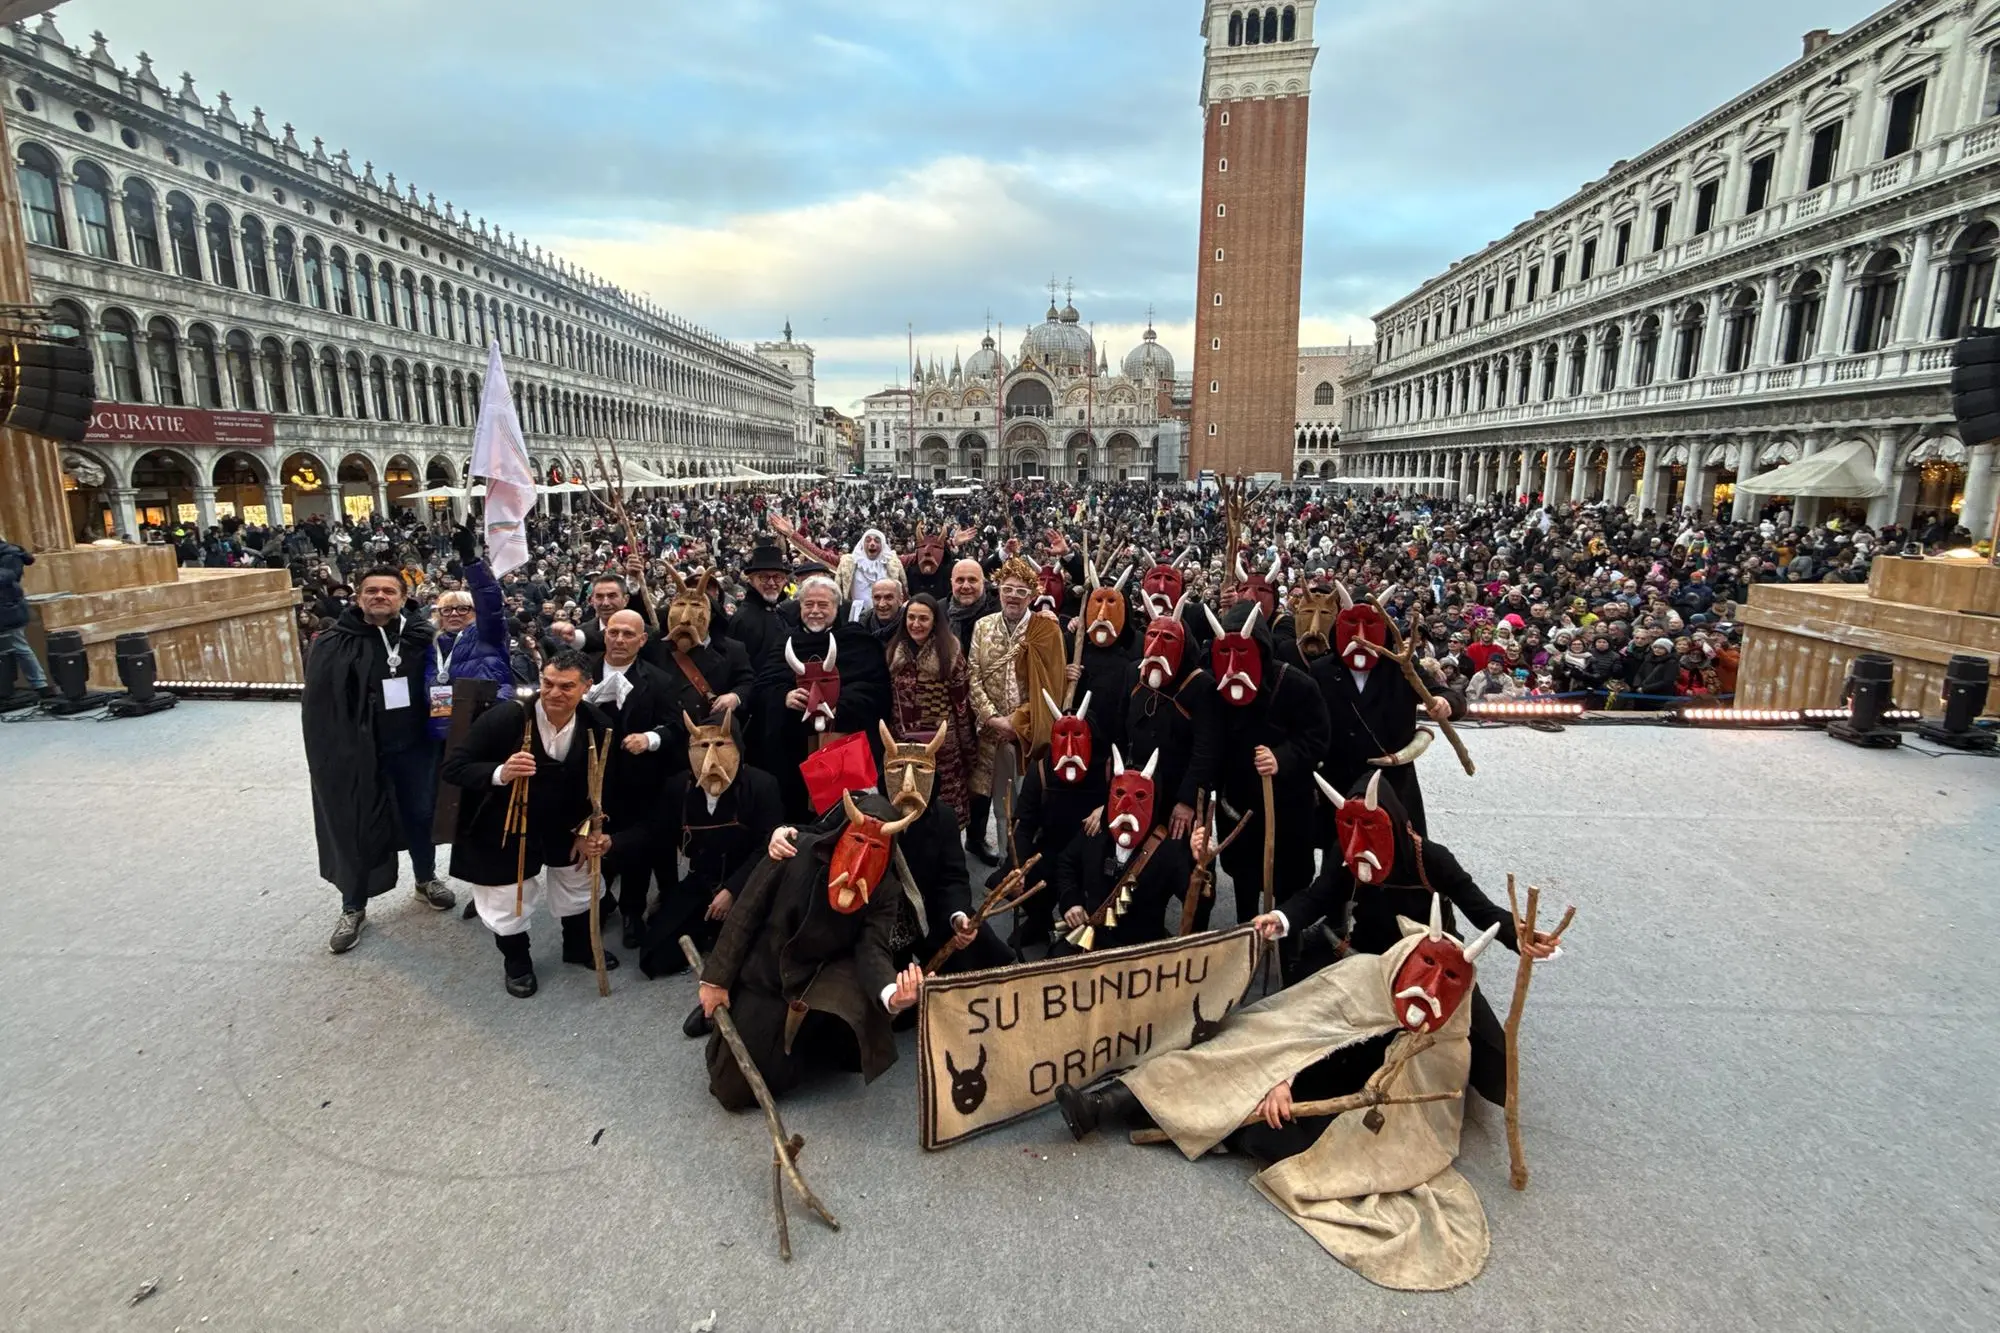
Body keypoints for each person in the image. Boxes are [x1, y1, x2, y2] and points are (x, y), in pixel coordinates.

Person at [696, 791, 922, 1109]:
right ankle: (736, 1021)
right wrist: (715, 981)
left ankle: (816, 1036)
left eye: (875, 848)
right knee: (734, 1091)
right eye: (857, 840)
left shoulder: (885, 889)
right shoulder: (795, 851)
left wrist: (893, 995)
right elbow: (745, 913)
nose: (860, 863)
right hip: (768, 975)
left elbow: (872, 948)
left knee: (850, 1043)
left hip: (824, 976)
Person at [440, 650, 620, 997]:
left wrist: (588, 830)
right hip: (506, 822)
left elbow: (606, 784)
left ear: (587, 686)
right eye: (548, 683)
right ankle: (517, 962)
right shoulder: (507, 718)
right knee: (507, 897)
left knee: (578, 881)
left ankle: (578, 947)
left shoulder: (598, 724)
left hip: (567, 822)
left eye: (566, 687)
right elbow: (454, 767)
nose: (554, 693)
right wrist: (500, 772)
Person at [303, 566, 456, 956]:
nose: (380, 596)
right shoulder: (334, 642)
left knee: (420, 814)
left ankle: (426, 879)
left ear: (403, 598)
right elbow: (320, 707)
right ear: (358, 597)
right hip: (359, 752)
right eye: (371, 590)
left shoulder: (422, 637)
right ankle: (353, 906)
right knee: (356, 822)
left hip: (415, 747)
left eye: (389, 591)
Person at [965, 558, 1041, 863]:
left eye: (1021, 591)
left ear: (1031, 596)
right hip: (991, 732)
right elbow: (973, 675)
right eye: (1008, 589)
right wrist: (993, 718)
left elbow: (1049, 682)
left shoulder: (1043, 628)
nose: (1013, 596)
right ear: (998, 591)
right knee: (1000, 803)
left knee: (1029, 801)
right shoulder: (983, 626)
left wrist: (1018, 723)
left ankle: (1023, 859)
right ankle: (1005, 859)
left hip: (1028, 735)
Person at [885, 594, 978, 832]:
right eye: (911, 618)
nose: (916, 624)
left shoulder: (951, 653)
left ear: (935, 621)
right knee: (906, 799)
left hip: (941, 745)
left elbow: (961, 704)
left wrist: (967, 748)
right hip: (903, 742)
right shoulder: (894, 650)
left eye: (923, 619)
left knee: (942, 805)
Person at [0, 539, 52, 699]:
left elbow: (7, 577)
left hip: (9, 610)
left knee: (20, 647)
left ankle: (41, 685)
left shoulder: (11, 555)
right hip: (7, 608)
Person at [946, 558, 996, 650]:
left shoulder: (997, 612)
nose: (966, 586)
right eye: (960, 580)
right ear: (951, 583)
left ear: (983, 582)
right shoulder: (939, 611)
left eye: (972, 580)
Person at [862, 577, 905, 642]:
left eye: (888, 598)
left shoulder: (909, 625)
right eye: (877, 598)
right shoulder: (863, 624)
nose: (882, 604)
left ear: (900, 599)